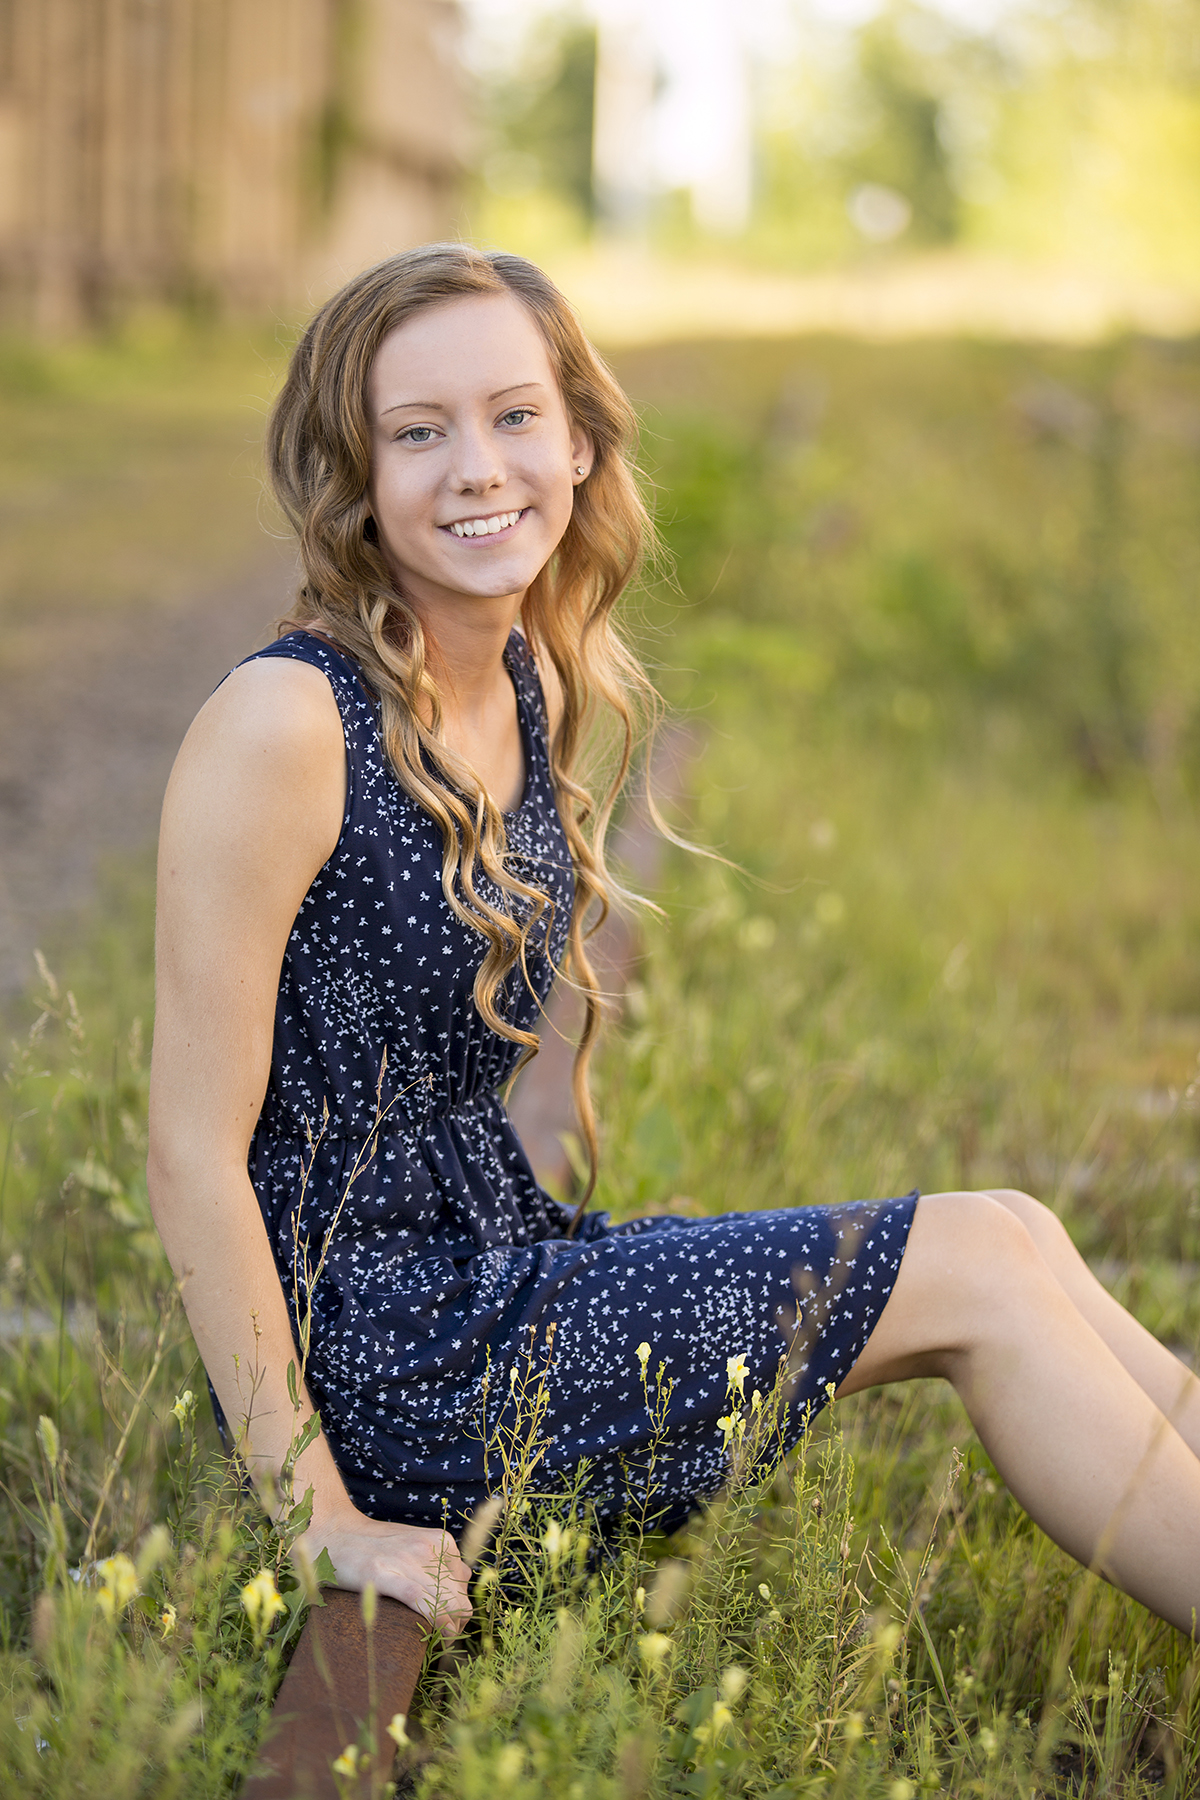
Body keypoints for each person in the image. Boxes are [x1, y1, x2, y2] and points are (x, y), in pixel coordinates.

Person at [148, 243, 1200, 1643]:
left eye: (515, 414)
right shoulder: (286, 726)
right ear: (354, 475)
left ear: (580, 439)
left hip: (492, 1280)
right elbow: (188, 1152)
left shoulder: (515, 670)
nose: (477, 465)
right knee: (982, 1266)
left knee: (1018, 1226)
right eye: (418, 431)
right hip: (398, 1363)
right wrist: (316, 1512)